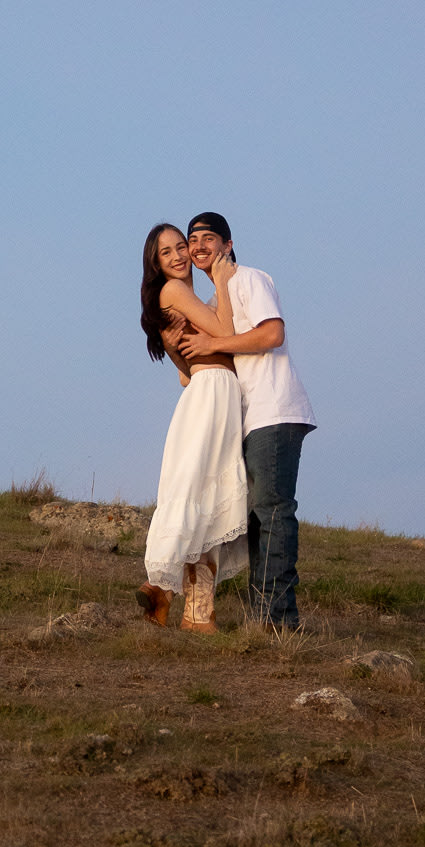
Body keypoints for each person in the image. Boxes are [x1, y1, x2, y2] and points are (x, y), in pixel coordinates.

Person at [171, 211, 315, 630]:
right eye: (191, 240)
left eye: (208, 238)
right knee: (254, 519)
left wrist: (213, 341)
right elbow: (187, 375)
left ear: (228, 245)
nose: (198, 246)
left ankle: (278, 621)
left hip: (275, 410)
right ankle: (265, 616)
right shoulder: (217, 303)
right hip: (246, 419)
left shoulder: (249, 279)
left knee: (271, 513)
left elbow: (272, 334)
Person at [136, 222, 250, 632]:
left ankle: (190, 610)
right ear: (157, 265)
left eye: (180, 246)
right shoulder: (174, 291)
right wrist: (221, 281)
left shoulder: (176, 299)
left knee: (206, 502)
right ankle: (167, 591)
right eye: (166, 252)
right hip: (212, 394)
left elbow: (184, 373)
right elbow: (226, 332)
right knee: (203, 497)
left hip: (205, 392)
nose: (179, 255)